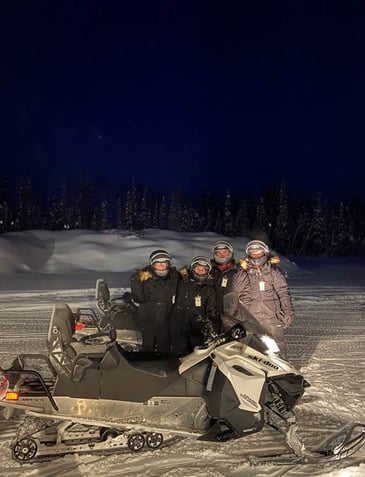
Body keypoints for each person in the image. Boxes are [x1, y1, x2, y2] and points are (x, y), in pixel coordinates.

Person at [230, 239, 295, 357]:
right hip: (250, 317)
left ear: (264, 253)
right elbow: (236, 292)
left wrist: (288, 312)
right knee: (252, 350)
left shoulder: (273, 271)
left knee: (276, 347)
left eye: (258, 252)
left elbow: (283, 292)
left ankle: (283, 372)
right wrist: (242, 271)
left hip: (271, 317)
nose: (255, 255)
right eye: (252, 253)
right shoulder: (242, 271)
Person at [130, 249, 179, 353]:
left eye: (164, 264)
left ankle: (164, 366)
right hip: (148, 319)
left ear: (168, 264)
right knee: (148, 346)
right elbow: (138, 299)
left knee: (164, 345)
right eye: (158, 264)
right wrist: (136, 283)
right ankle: (146, 366)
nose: (161, 267)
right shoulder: (145, 278)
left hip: (166, 318)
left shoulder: (174, 277)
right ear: (152, 265)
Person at [170, 256, 218, 357]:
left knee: (194, 356)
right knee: (177, 354)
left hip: (197, 328)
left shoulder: (209, 289)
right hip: (179, 325)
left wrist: (210, 323)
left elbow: (211, 311)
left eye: (203, 270)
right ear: (192, 269)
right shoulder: (181, 281)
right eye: (197, 269)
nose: (200, 272)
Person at [210, 240, 240, 332]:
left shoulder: (238, 272)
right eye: (219, 253)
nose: (222, 256)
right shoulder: (210, 273)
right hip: (213, 318)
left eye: (225, 253)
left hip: (234, 319)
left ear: (231, 254)